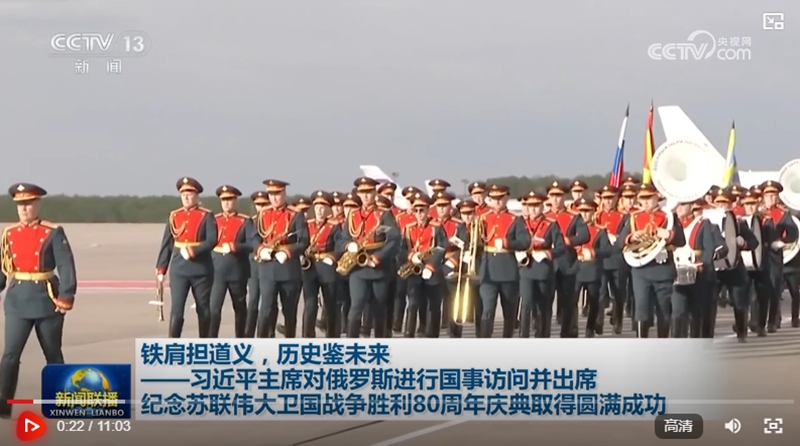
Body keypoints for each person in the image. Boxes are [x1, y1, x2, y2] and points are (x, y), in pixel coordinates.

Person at [0, 183, 77, 419]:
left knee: (52, 353)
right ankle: (3, 405)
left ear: (37, 204)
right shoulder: (9, 234)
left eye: (29, 204)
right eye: (20, 204)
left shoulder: (52, 232)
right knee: (10, 355)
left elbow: (66, 265)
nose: (24, 209)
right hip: (17, 300)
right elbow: (4, 268)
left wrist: (67, 295)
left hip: (46, 300)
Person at [616, 183, 685, 338]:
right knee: (641, 309)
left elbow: (681, 240)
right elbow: (620, 242)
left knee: (663, 310)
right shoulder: (634, 217)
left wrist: (669, 235)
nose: (645, 202)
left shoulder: (669, 216)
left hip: (663, 270)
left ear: (656, 197)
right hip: (641, 270)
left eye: (649, 198)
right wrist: (631, 238)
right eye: (642, 198)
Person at [335, 177, 401, 338]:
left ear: (374, 193)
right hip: (357, 268)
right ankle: (352, 342)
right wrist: (348, 245)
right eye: (362, 192)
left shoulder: (383, 215)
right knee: (356, 306)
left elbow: (394, 239)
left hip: (379, 268)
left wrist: (379, 256)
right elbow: (342, 239)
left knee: (379, 308)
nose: (365, 196)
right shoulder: (353, 215)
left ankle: (379, 343)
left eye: (369, 192)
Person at [155, 177, 217, 338]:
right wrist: (161, 268)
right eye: (183, 194)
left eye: (189, 194)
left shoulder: (206, 215)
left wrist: (194, 251)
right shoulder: (174, 216)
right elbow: (167, 244)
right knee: (177, 311)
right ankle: (173, 343)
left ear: (196, 195)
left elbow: (212, 240)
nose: (186, 197)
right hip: (179, 269)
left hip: (201, 269)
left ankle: (204, 343)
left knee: (203, 310)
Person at [252, 179, 309, 338]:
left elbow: (304, 240)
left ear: (284, 193)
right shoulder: (263, 213)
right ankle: (261, 342)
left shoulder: (295, 214)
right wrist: (260, 249)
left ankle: (288, 344)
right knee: (265, 310)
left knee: (289, 312)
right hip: (267, 269)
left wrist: (288, 252)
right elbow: (254, 237)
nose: (274, 198)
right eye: (271, 194)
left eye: (277, 194)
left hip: (288, 270)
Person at [477, 184, 531, 337]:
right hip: (488, 271)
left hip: (508, 270)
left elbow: (525, 241)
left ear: (506, 197)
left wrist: (509, 244)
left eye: (500, 198)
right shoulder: (483, 219)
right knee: (487, 310)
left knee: (509, 312)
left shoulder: (515, 219)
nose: (497, 201)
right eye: (494, 198)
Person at [399, 193, 447, 337]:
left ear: (428, 210)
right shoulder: (408, 228)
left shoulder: (436, 227)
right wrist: (410, 256)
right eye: (416, 210)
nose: (419, 214)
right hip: (414, 269)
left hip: (431, 270)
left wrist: (431, 266)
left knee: (433, 304)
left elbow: (442, 248)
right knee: (413, 303)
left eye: (422, 210)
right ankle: (409, 333)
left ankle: (432, 335)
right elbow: (401, 249)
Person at [545, 181, 589, 337]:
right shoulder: (544, 217)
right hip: (548, 264)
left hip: (567, 263)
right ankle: (543, 332)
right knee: (545, 301)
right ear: (548, 197)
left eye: (559, 196)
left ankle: (568, 332)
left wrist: (569, 241)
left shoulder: (573, 217)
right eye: (553, 196)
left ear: (564, 197)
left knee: (569, 302)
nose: (556, 199)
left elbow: (584, 235)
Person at [517, 191, 563, 338]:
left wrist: (549, 253)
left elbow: (561, 247)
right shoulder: (520, 223)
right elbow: (511, 240)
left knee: (544, 306)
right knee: (526, 303)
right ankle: (523, 335)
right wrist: (517, 251)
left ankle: (543, 335)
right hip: (526, 268)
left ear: (542, 206)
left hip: (543, 269)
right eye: (530, 206)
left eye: (536, 206)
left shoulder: (551, 224)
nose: (533, 209)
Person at [671, 199, 719, 339]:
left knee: (696, 313)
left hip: (698, 274)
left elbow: (709, 249)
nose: (679, 208)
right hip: (677, 272)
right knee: (678, 311)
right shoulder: (671, 224)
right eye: (677, 205)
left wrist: (702, 265)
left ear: (691, 206)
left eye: (683, 204)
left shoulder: (702, 223)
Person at [209, 185, 250, 338]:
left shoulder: (245, 221)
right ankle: (211, 341)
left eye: (229, 199)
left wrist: (235, 247)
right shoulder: (214, 220)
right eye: (223, 200)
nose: (226, 203)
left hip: (236, 270)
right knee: (214, 309)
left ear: (236, 201)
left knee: (240, 308)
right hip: (217, 271)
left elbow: (252, 244)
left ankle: (241, 339)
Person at [759, 181, 799, 332]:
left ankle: (772, 321)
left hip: (773, 255)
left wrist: (782, 241)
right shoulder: (758, 213)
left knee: (774, 289)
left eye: (773, 195)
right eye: (768, 195)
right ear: (763, 196)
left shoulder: (782, 214)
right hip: (757, 255)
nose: (770, 198)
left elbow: (793, 232)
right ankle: (758, 321)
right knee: (758, 290)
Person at [300, 191, 341, 338]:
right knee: (310, 303)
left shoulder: (334, 226)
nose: (319, 211)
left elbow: (340, 245)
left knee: (330, 304)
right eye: (317, 207)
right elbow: (301, 242)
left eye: (322, 208)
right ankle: (307, 336)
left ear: (327, 209)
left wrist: (333, 257)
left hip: (327, 266)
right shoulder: (307, 225)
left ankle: (332, 336)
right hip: (310, 266)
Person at [572, 198, 613, 337]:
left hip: (592, 268)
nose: (584, 214)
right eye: (581, 211)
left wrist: (595, 252)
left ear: (594, 212)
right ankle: (573, 326)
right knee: (572, 300)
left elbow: (608, 250)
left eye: (587, 211)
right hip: (576, 267)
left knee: (593, 300)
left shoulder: (599, 231)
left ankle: (590, 327)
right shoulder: (573, 229)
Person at [595, 185, 629, 334]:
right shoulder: (597, 216)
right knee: (600, 291)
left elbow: (626, 235)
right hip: (601, 259)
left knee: (618, 292)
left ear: (616, 199)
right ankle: (599, 321)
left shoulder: (624, 216)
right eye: (605, 198)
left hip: (617, 258)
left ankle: (618, 320)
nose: (608, 201)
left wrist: (617, 238)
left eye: (611, 198)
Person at [392, 186, 423, 334]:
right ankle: (396, 323)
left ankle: (413, 328)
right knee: (400, 293)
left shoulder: (424, 217)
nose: (412, 204)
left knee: (415, 296)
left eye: (414, 201)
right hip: (403, 260)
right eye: (410, 201)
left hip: (420, 262)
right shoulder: (399, 218)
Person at [244, 190, 271, 337]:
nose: (261, 207)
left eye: (264, 204)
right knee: (253, 299)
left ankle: (268, 333)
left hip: (269, 264)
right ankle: (249, 333)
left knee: (269, 301)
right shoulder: (251, 221)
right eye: (258, 204)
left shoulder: (271, 221)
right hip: (254, 264)